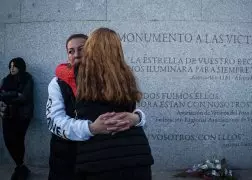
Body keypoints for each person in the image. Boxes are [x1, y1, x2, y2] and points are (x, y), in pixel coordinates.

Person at [46, 34, 146, 180]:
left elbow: (127, 110)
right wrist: (91, 128)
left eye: (82, 49)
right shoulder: (57, 82)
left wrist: (137, 117)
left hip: (98, 158)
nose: (76, 55)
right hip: (67, 155)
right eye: (71, 51)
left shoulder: (109, 77)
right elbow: (54, 121)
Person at [74, 27, 153, 180]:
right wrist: (136, 117)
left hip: (97, 156)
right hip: (136, 152)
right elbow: (130, 111)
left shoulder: (81, 74)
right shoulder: (126, 74)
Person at [0, 57, 34, 180]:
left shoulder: (27, 79)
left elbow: (24, 97)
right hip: (8, 115)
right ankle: (20, 166)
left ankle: (20, 167)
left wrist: (8, 96)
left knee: (18, 141)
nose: (12, 68)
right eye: (10, 66)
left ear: (21, 67)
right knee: (8, 141)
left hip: (22, 116)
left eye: (14, 66)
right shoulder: (6, 79)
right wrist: (15, 94)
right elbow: (1, 95)